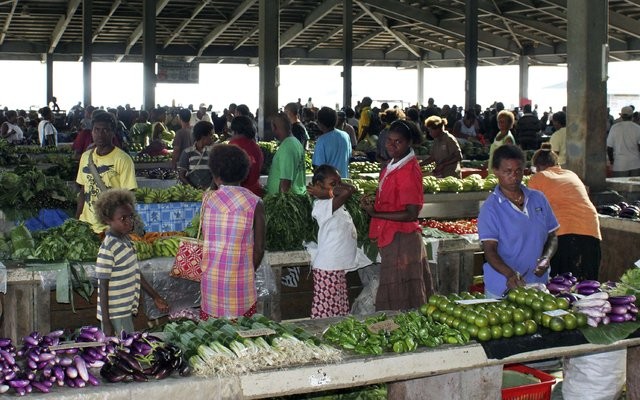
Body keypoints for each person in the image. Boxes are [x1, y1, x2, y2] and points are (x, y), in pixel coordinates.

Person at [361, 120, 434, 311]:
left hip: (402, 239)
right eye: (389, 140)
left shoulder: (408, 171)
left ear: (409, 143)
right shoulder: (393, 164)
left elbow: (411, 213)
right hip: (391, 236)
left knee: (400, 296)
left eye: (398, 142)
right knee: (399, 293)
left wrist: (376, 213)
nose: (391, 145)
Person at [478, 144, 559, 298]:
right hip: (503, 287)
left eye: (518, 171)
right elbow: (489, 250)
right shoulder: (490, 208)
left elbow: (552, 236)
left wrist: (546, 257)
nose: (514, 177)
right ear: (496, 171)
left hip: (536, 286)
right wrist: (509, 274)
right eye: (507, 172)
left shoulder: (538, 198)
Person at [200, 144, 265, 319]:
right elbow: (259, 249)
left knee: (214, 337)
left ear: (215, 175)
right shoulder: (255, 202)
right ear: (244, 172)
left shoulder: (207, 199)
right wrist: (248, 271)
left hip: (211, 283)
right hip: (241, 285)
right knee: (242, 337)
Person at [94, 189, 169, 336]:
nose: (129, 222)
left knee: (126, 347)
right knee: (121, 350)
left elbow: (136, 273)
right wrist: (107, 323)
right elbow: (102, 286)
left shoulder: (127, 241)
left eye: (131, 217)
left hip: (125, 309)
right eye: (123, 218)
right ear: (108, 220)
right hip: (115, 313)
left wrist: (156, 297)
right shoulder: (108, 247)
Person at [528, 143, 601, 280]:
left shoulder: (538, 178)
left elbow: (533, 212)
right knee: (588, 283)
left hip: (563, 232)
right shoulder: (571, 174)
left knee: (563, 283)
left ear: (538, 166)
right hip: (590, 229)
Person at [306, 165, 358, 319]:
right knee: (325, 310)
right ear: (317, 186)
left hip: (337, 267)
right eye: (332, 183)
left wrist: (328, 189)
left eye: (339, 182)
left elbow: (351, 188)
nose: (338, 186)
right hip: (328, 267)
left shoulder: (335, 202)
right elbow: (347, 191)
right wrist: (325, 193)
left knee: (338, 308)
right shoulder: (322, 205)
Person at [76, 111, 138, 233]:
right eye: (96, 130)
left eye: (105, 130)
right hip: (86, 226)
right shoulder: (85, 157)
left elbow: (128, 199)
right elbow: (83, 191)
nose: (100, 134)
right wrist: (77, 219)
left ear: (113, 133)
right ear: (92, 132)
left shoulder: (123, 159)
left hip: (109, 228)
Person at [265, 113, 307, 195]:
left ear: (274, 127)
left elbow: (285, 182)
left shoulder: (287, 146)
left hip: (286, 202)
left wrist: (280, 204)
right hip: (297, 196)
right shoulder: (295, 142)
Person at [229, 115, 264, 196]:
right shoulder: (256, 147)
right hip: (255, 194)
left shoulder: (232, 146)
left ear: (235, 130)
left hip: (237, 195)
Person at [312, 107, 352, 178]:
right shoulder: (345, 136)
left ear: (321, 123)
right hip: (344, 180)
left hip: (329, 184)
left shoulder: (322, 140)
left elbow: (319, 167)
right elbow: (349, 157)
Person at [178, 120, 214, 190]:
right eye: (211, 135)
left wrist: (210, 190)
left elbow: (216, 175)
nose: (212, 137)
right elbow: (181, 176)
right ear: (203, 137)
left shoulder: (213, 152)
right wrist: (193, 190)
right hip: (193, 194)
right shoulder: (187, 153)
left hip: (209, 193)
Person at [607, 105, 640, 177]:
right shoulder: (637, 128)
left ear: (621, 116)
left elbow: (609, 147)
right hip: (635, 163)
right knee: (635, 187)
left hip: (620, 164)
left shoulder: (614, 128)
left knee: (620, 187)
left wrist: (612, 161)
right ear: (632, 116)